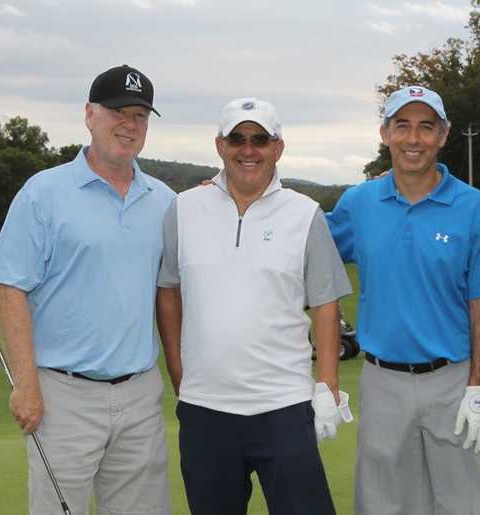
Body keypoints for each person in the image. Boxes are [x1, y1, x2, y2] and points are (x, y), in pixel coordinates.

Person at [0, 65, 174, 514]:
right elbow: (11, 290)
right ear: (89, 114)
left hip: (140, 395)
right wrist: (26, 385)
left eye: (140, 116)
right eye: (117, 111)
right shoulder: (42, 193)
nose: (129, 124)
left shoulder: (165, 201)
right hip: (62, 397)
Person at [156, 97, 353, 515]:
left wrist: (328, 385)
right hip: (205, 410)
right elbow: (169, 291)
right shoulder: (184, 208)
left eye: (260, 139)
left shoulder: (305, 214)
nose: (249, 149)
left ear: (278, 147)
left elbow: (324, 304)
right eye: (238, 139)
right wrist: (178, 371)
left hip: (284, 405)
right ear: (219, 145)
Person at [327, 85, 480, 515]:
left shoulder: (472, 205)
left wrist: (478, 385)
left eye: (426, 127)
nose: (413, 138)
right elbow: (307, 252)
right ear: (385, 133)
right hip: (382, 380)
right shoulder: (359, 202)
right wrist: (234, 194)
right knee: (385, 504)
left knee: (467, 505)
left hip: (452, 379)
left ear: (443, 135)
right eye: (402, 125)